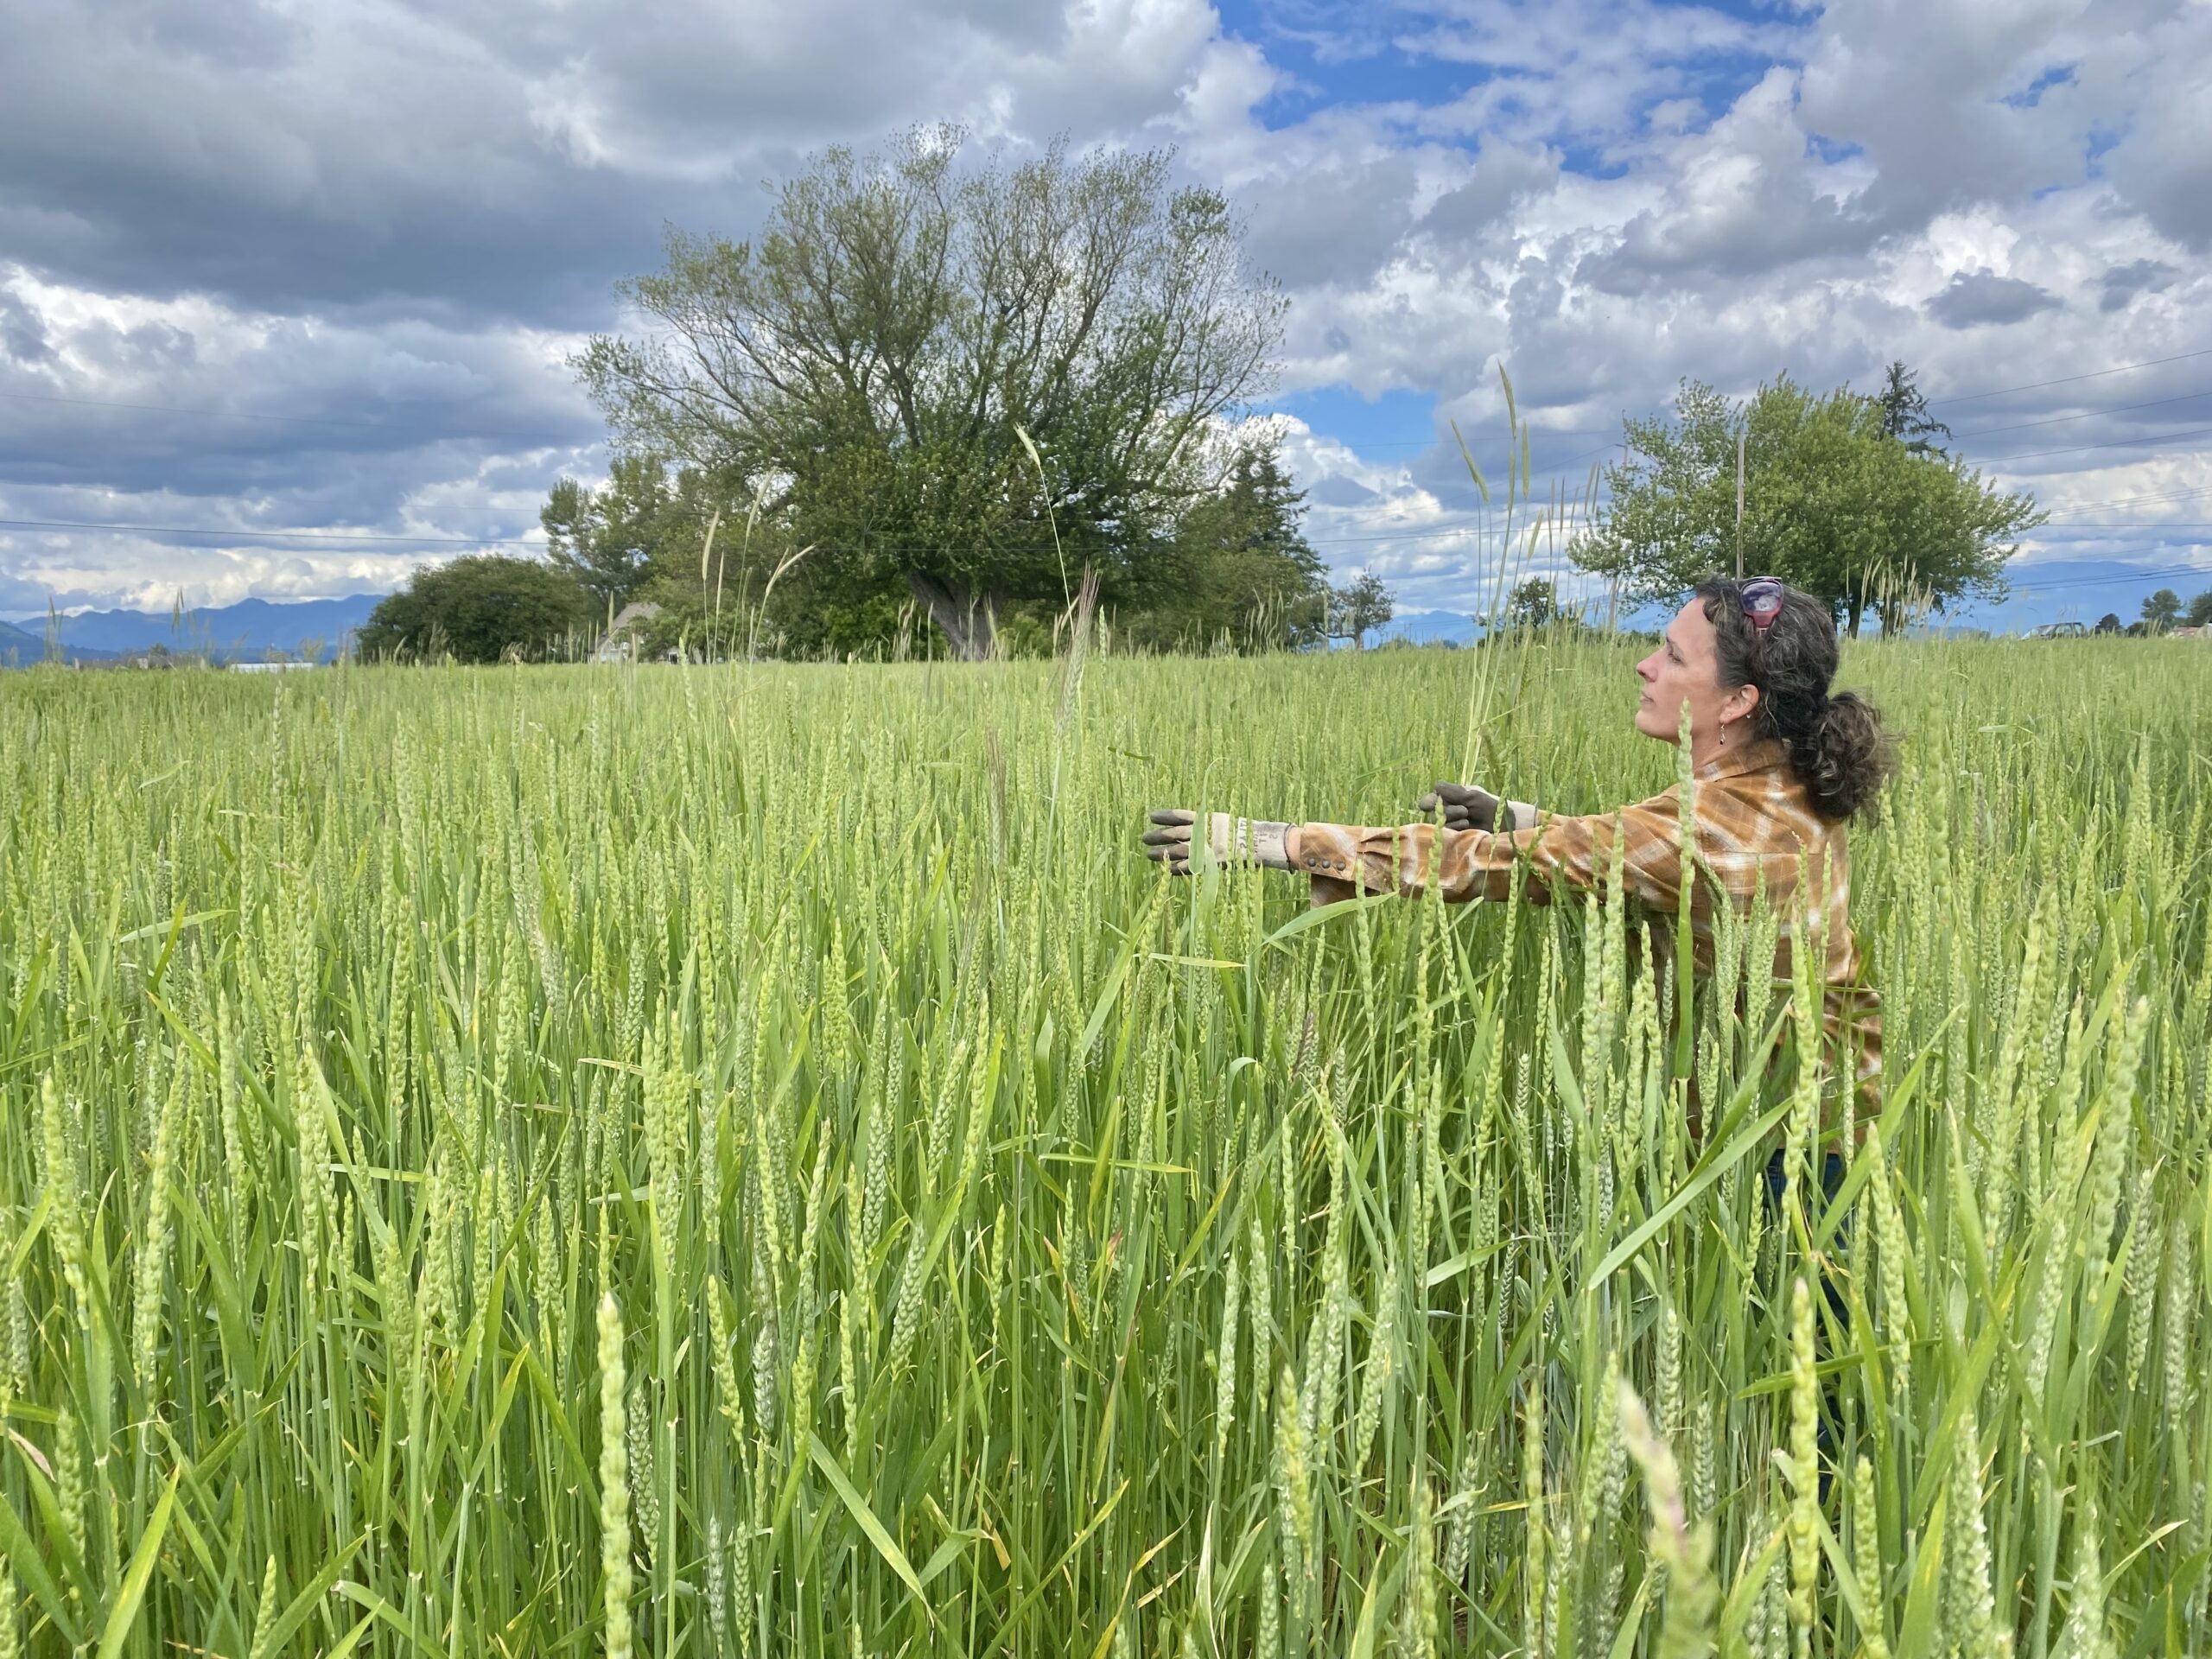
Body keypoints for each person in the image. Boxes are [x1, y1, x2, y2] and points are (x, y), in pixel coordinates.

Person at [1141, 575, 1895, 1123]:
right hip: (1826, 1116)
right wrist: (1519, 818)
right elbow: (1652, 859)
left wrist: (1278, 843)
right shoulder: (1784, 782)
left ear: (1736, 702)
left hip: (1785, 1152)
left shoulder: (1706, 829)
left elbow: (1515, 865)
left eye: (1672, 655)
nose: (1645, 666)